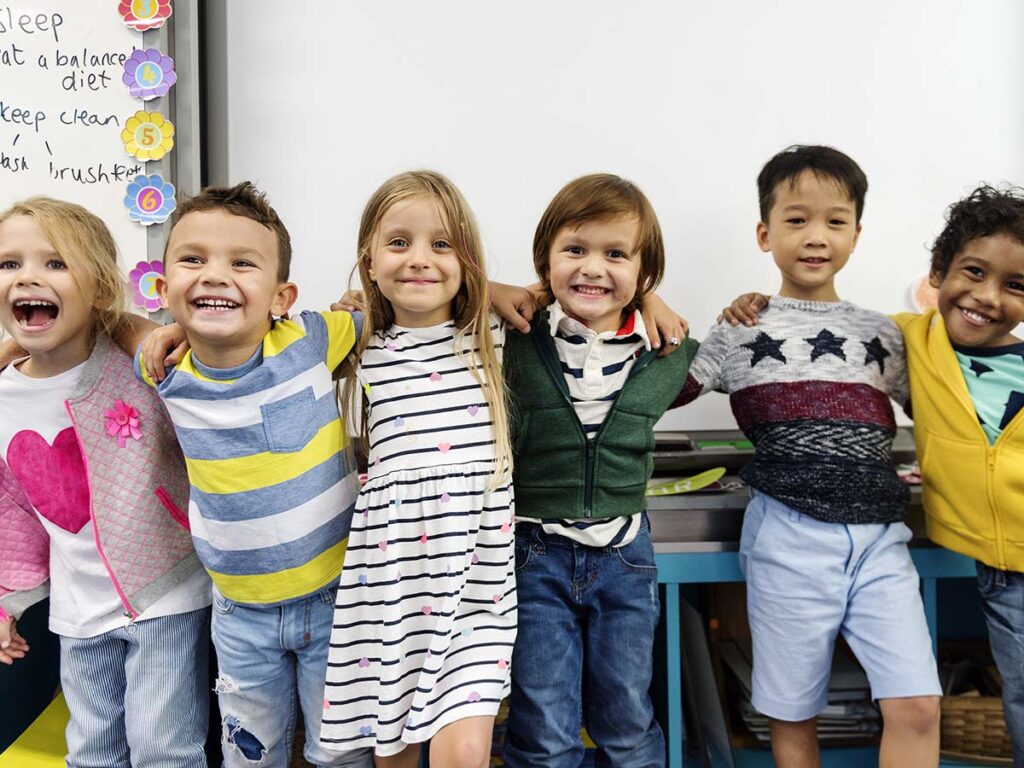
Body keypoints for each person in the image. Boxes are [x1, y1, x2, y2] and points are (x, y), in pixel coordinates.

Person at [726, 183, 1024, 763]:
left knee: (955, 704)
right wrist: (747, 307)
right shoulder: (902, 338)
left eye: (1015, 285)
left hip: (956, 553)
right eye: (973, 272)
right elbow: (816, 333)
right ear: (938, 272)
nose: (987, 297)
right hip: (1003, 567)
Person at [680, 145, 942, 768]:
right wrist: (661, 310)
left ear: (856, 232)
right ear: (765, 233)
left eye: (834, 221)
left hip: (880, 537)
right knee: (792, 712)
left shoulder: (884, 333)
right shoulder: (739, 328)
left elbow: (941, 408)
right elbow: (662, 392)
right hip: (788, 535)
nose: (816, 236)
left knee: (918, 705)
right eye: (796, 220)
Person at [136, 182, 371, 768]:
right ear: (165, 290)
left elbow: (384, 305)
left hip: (337, 598)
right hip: (240, 613)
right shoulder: (164, 367)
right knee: (249, 756)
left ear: (280, 296)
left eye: (242, 263)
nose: (215, 275)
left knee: (341, 754)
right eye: (194, 260)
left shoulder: (311, 338)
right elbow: (99, 324)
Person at [0, 197, 212, 767]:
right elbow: (12, 511)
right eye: (9, 264)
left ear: (97, 290)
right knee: (90, 751)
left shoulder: (139, 366)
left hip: (165, 590)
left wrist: (137, 329)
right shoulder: (2, 395)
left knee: (163, 749)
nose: (27, 277)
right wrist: (7, 601)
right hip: (78, 608)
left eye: (55, 263)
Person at [318, 170, 515, 768]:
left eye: (442, 244)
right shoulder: (356, 342)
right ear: (369, 261)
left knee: (466, 752)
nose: (419, 260)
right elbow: (247, 341)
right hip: (392, 586)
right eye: (398, 243)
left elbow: (588, 289)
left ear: (468, 261)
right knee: (394, 754)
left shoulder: (494, 335)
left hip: (477, 588)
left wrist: (654, 297)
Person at [502, 173, 698, 768]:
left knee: (627, 719)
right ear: (546, 261)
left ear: (643, 273)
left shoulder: (667, 348)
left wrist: (650, 298)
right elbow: (450, 293)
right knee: (543, 725)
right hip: (534, 552)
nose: (593, 268)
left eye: (616, 254)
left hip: (624, 558)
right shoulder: (514, 335)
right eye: (575, 250)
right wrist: (510, 290)